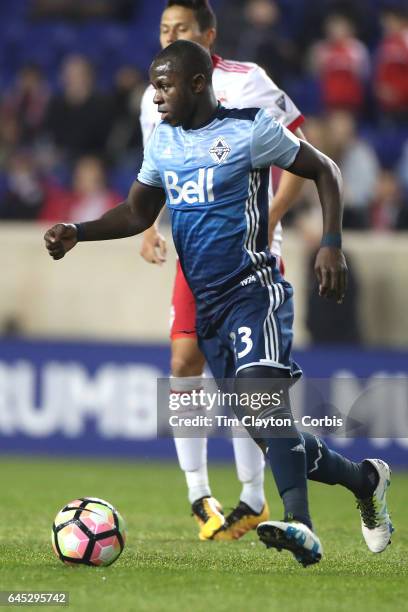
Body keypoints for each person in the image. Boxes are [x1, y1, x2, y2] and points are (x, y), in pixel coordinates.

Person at [44, 40, 393, 566]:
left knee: (261, 404)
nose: (155, 95)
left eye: (165, 85)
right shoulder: (162, 141)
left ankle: (301, 525)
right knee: (269, 430)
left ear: (198, 84)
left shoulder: (250, 128)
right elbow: (139, 211)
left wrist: (332, 244)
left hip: (254, 292)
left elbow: (325, 170)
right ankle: (366, 479)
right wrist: (79, 231)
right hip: (206, 307)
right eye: (153, 84)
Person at [139, 0, 308, 542]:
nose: (170, 36)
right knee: (184, 359)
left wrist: (270, 221)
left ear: (207, 35)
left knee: (245, 382)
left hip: (251, 256)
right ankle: (196, 490)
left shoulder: (249, 82)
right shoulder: (155, 94)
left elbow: (303, 157)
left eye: (181, 28)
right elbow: (156, 172)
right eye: (164, 28)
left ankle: (256, 497)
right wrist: (147, 227)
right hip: (196, 254)